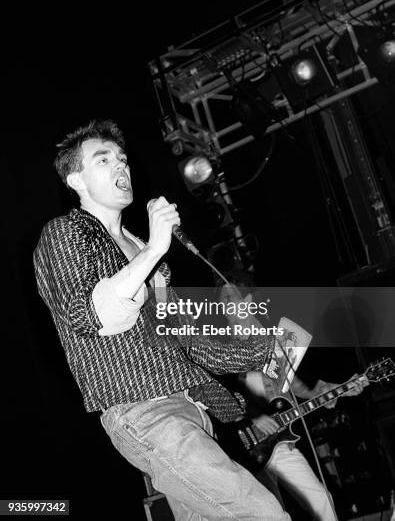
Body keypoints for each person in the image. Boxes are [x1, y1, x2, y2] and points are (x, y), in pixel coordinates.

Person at [33, 119, 291, 521]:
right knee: (262, 511)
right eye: (104, 161)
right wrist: (154, 249)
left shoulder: (144, 251)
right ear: (75, 179)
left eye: (122, 159)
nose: (121, 166)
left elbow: (190, 345)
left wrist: (263, 343)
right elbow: (93, 316)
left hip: (194, 406)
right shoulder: (67, 233)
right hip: (144, 412)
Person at [218, 282, 368, 520]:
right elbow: (216, 392)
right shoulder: (219, 344)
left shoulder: (272, 339)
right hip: (240, 443)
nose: (225, 303)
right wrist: (253, 417)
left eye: (230, 297)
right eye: (222, 299)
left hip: (278, 441)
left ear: (247, 300)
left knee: (321, 500)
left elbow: (295, 386)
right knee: (268, 513)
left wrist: (337, 389)